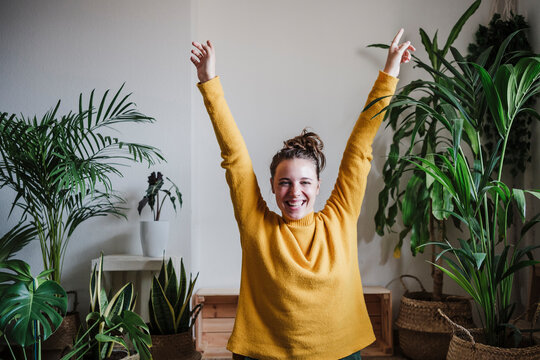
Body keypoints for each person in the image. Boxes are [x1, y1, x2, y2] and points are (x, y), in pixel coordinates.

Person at [191, 29, 415, 360]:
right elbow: (235, 157)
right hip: (264, 354)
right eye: (284, 182)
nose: (295, 192)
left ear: (318, 185)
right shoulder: (257, 224)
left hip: (339, 352)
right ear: (271, 186)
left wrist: (390, 72)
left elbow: (360, 148)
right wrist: (209, 82)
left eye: (305, 182)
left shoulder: (339, 217)